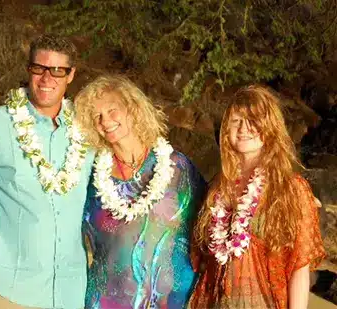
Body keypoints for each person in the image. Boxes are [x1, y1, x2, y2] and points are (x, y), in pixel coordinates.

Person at [0, 34, 95, 309]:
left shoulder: (86, 130)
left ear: (71, 75)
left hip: (73, 293)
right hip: (10, 293)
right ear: (28, 69)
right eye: (38, 68)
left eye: (57, 70)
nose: (46, 79)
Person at [75, 75, 205, 309]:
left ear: (132, 109)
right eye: (97, 117)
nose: (105, 121)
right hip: (108, 301)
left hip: (171, 300)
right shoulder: (93, 180)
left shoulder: (177, 168)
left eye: (112, 110)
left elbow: (207, 224)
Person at [190, 85, 326, 309]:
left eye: (253, 120)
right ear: (226, 130)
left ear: (270, 127)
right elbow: (205, 261)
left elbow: (299, 268)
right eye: (236, 121)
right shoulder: (218, 186)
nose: (244, 128)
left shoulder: (290, 188)